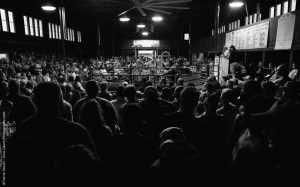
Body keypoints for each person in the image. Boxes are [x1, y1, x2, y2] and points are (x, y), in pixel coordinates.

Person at [14, 82, 96, 183]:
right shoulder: (77, 130)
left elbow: (15, 166)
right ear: (60, 101)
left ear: (35, 101)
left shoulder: (24, 128)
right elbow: (94, 164)